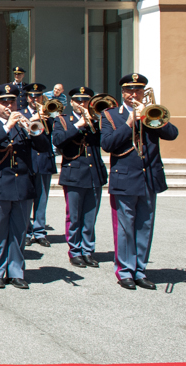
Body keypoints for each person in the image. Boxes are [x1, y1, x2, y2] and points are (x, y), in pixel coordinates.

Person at [99, 73, 179, 290]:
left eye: (138, 90)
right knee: (125, 227)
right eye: (129, 90)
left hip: (149, 178)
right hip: (124, 179)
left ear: (144, 92)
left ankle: (140, 270)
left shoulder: (152, 112)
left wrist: (150, 116)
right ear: (123, 92)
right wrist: (129, 122)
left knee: (145, 226)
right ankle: (125, 271)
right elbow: (107, 144)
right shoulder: (110, 115)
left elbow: (172, 134)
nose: (133, 94)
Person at [0, 84, 50, 289]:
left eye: (12, 101)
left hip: (22, 186)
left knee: (19, 233)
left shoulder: (23, 125)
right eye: (4, 102)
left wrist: (34, 129)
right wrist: (7, 126)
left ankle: (17, 271)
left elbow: (44, 147)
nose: (8, 105)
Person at [52, 86, 106, 268]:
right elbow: (58, 141)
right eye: (78, 101)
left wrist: (96, 123)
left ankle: (88, 251)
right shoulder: (63, 120)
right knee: (74, 217)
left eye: (85, 101)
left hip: (94, 174)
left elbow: (105, 143)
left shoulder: (98, 120)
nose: (82, 104)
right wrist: (79, 125)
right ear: (72, 103)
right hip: (73, 174)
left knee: (90, 217)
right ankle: (75, 251)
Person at [22, 83, 56, 248]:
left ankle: (40, 231)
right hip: (28, 160)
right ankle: (27, 231)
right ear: (27, 97)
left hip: (43, 160)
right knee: (28, 197)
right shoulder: (21, 113)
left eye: (37, 96)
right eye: (31, 96)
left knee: (42, 198)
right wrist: (32, 119)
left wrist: (47, 117)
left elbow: (56, 134)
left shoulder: (49, 113)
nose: (34, 99)